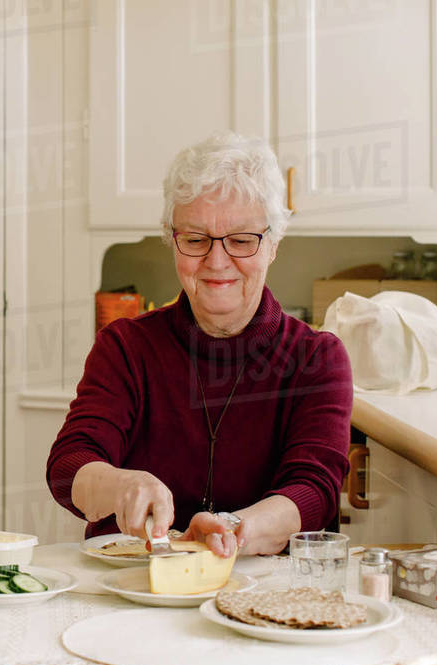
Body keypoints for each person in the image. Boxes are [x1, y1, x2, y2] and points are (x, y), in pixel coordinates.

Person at [46, 133, 352, 560]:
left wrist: (228, 532)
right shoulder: (125, 347)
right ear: (172, 240)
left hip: (255, 588)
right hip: (134, 582)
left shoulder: (317, 358)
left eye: (242, 240)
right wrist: (122, 486)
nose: (217, 261)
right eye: (195, 239)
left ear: (273, 245)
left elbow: (313, 490)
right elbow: (69, 467)